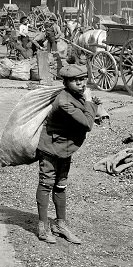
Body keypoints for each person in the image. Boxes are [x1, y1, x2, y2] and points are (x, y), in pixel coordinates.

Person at [35, 63, 97, 245]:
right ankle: (43, 227)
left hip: (65, 148)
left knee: (61, 185)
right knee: (46, 184)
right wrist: (90, 102)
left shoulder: (75, 96)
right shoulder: (65, 102)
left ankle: (60, 224)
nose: (81, 83)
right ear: (66, 82)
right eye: (75, 81)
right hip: (51, 148)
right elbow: (87, 124)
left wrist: (89, 104)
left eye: (82, 79)